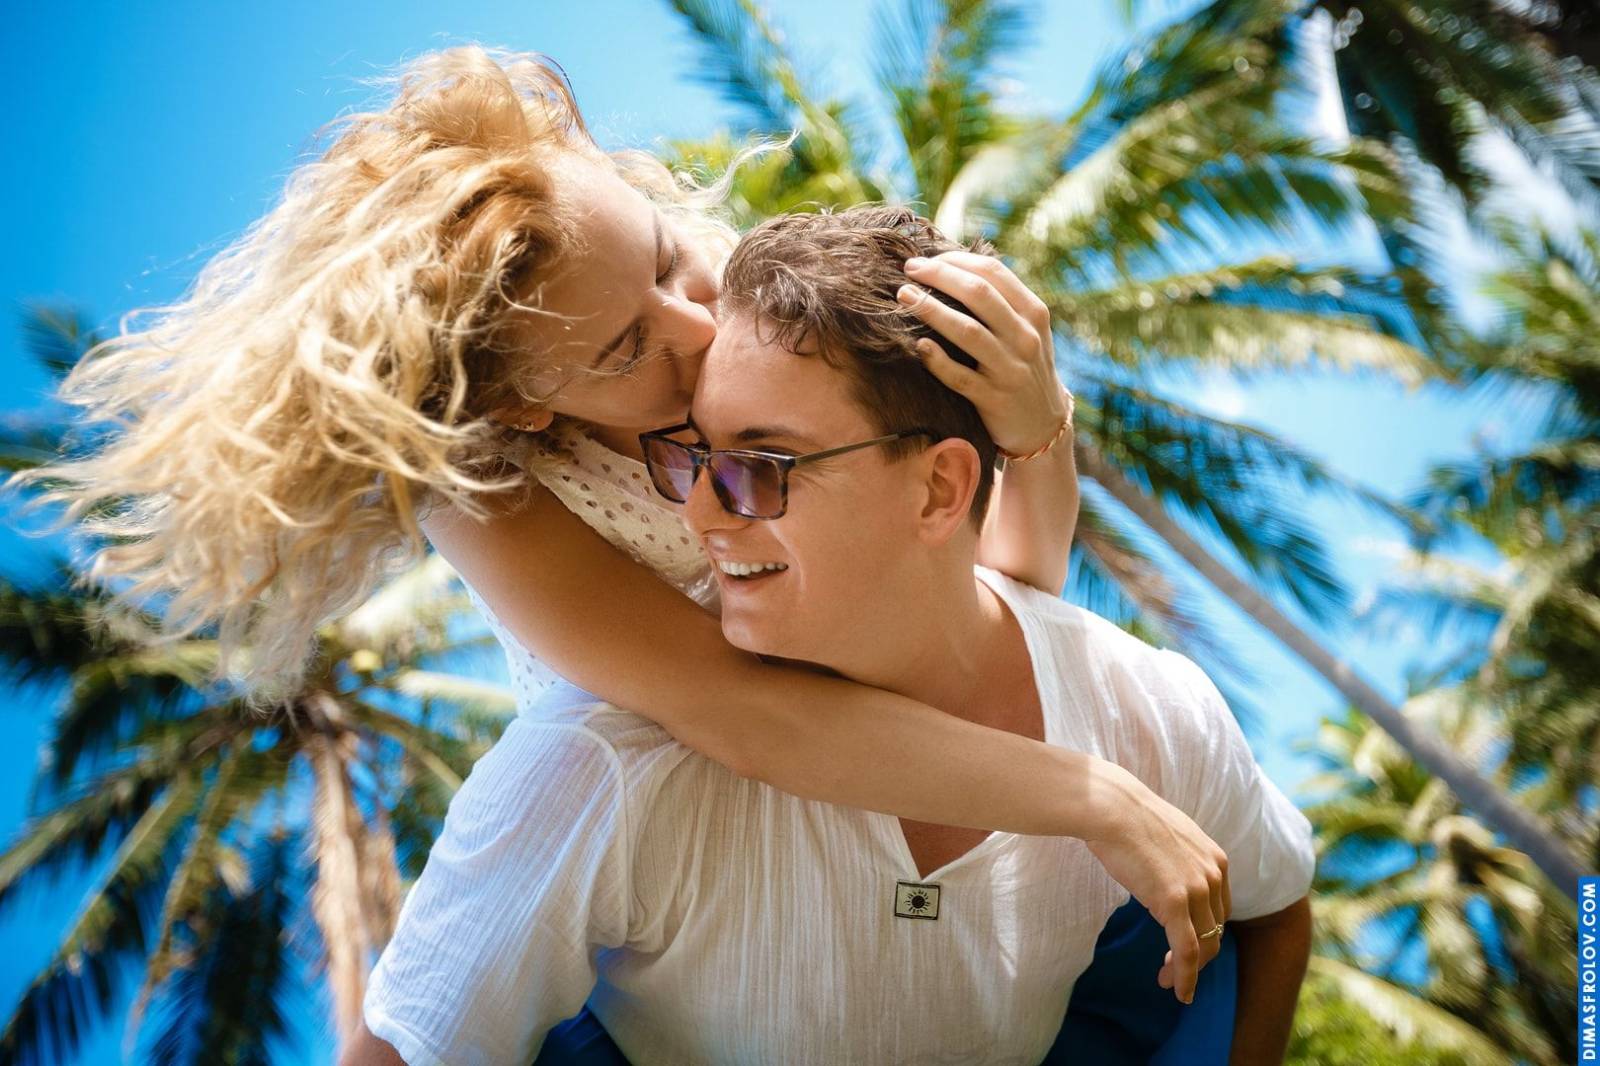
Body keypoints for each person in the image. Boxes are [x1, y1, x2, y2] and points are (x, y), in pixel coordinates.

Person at [23, 45, 1233, 1039]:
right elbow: (741, 717)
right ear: (523, 406)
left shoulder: (735, 305)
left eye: (663, 256)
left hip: (899, 802)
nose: (696, 326)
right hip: (681, 867)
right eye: (621, 350)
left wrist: (1039, 426)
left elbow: (999, 591)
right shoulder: (487, 491)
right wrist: (1083, 791)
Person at [350, 206, 1314, 1065]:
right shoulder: (597, 771)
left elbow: (1274, 910)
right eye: (690, 460)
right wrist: (1095, 796)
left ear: (940, 487)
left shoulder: (1153, 707)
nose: (699, 517)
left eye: (762, 464)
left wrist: (1039, 423)